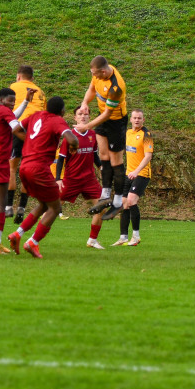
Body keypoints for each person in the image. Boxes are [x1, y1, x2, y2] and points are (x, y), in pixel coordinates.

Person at [6, 97, 80, 258]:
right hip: (39, 168)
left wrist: (30, 142)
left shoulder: (36, 115)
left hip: (25, 167)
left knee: (44, 205)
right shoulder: (57, 120)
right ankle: (33, 242)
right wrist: (74, 147)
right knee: (55, 207)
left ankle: (17, 234)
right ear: (62, 111)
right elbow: (72, 139)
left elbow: (15, 129)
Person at [0, 87, 34, 253]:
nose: (12, 104)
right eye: (10, 101)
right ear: (2, 99)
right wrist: (33, 144)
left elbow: (12, 117)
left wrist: (25, 101)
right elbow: (16, 128)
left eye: (13, 101)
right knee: (2, 200)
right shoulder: (4, 111)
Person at [75, 55, 129, 222]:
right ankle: (106, 195)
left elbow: (107, 114)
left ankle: (118, 201)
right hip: (103, 118)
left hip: (116, 122)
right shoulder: (98, 73)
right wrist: (85, 102)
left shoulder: (116, 87)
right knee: (103, 156)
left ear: (104, 72)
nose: (94, 77)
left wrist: (86, 126)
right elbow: (92, 89)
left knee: (115, 161)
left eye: (96, 74)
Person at [57, 108, 106, 249]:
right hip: (71, 179)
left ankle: (92, 240)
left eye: (86, 114)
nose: (83, 116)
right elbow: (61, 159)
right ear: (75, 118)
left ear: (89, 117)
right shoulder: (70, 136)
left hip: (89, 179)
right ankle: (31, 237)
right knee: (50, 206)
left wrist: (101, 168)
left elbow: (94, 155)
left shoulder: (92, 134)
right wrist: (58, 179)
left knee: (102, 206)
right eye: (80, 114)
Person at [8, 66, 47, 223]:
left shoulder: (13, 87)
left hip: (19, 127)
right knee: (27, 170)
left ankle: (9, 206)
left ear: (18, 77)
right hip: (36, 133)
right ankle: (22, 208)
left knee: (11, 167)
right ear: (32, 78)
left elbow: (7, 107)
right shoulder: (41, 92)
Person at [111, 109, 152, 246]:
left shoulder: (146, 135)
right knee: (124, 204)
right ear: (131, 119)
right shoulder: (128, 133)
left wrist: (136, 170)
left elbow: (148, 156)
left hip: (142, 174)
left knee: (131, 200)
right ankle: (123, 237)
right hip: (129, 173)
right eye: (134, 118)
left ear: (143, 120)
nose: (136, 120)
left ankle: (136, 236)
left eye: (139, 118)